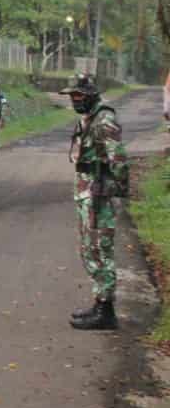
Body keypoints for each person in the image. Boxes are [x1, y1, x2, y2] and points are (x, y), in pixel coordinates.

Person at [62, 74, 129, 330]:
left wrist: (115, 190)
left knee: (100, 250)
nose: (74, 100)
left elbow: (119, 160)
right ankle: (100, 303)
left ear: (90, 94)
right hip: (86, 192)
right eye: (72, 96)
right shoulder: (89, 117)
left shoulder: (104, 119)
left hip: (97, 194)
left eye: (78, 95)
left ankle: (106, 311)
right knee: (89, 249)